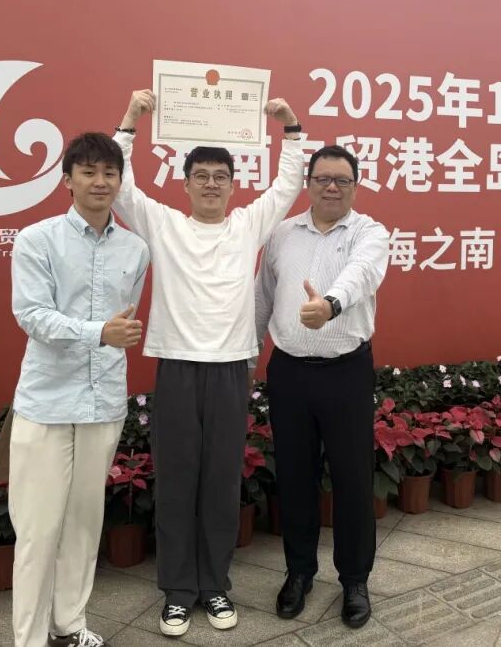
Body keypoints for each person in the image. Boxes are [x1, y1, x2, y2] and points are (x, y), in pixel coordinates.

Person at [112, 90, 304, 637]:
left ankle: (215, 585)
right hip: (176, 366)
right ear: (187, 183)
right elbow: (123, 188)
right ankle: (177, 592)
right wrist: (130, 121)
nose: (212, 184)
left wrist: (291, 128)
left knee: (220, 483)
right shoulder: (164, 224)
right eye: (202, 176)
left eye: (221, 176)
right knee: (177, 481)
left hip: (229, 370)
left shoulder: (247, 225)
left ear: (233, 185)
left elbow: (287, 184)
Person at [7, 132, 149, 647]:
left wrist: (110, 336)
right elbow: (31, 314)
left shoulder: (136, 249)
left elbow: (125, 318)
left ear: (120, 181)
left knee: (85, 524)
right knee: (38, 530)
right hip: (46, 402)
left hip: (102, 401)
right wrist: (98, 334)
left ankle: (69, 625)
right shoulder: (37, 239)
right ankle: (28, 639)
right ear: (67, 180)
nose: (100, 181)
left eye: (109, 172)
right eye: (88, 172)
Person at [254, 145, 389, 629]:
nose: (332, 187)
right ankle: (299, 573)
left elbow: (361, 274)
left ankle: (354, 580)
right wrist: (248, 355)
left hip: (345, 372)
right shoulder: (282, 234)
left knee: (352, 480)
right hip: (289, 372)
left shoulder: (369, 232)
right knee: (295, 477)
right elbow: (263, 298)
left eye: (342, 180)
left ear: (355, 185)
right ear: (307, 183)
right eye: (323, 179)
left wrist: (329, 304)